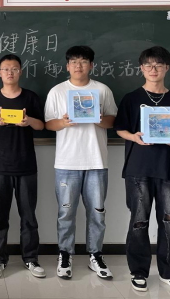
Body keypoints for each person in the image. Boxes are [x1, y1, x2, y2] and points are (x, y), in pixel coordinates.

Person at [114, 46, 170, 294]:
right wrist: (134, 137)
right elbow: (119, 128)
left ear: (167, 68)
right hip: (138, 168)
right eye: (148, 65)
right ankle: (138, 272)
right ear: (141, 68)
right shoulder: (131, 98)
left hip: (168, 168)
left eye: (158, 65)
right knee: (139, 222)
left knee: (169, 222)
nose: (153, 69)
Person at [44, 46, 118, 281]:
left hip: (96, 160)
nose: (78, 65)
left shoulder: (102, 90)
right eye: (74, 62)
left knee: (97, 212)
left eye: (83, 61)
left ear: (91, 65)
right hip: (66, 162)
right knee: (65, 212)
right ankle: (65, 254)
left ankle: (95, 255)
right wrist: (63, 123)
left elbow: (113, 120)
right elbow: (48, 124)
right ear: (67, 66)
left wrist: (98, 119)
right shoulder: (57, 91)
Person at [0, 54, 46, 280]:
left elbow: (41, 126)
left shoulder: (30, 97)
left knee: (28, 215)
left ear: (20, 72)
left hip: (26, 165)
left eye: (14, 69)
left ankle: (31, 258)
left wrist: (29, 122)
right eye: (6, 69)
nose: (10, 72)